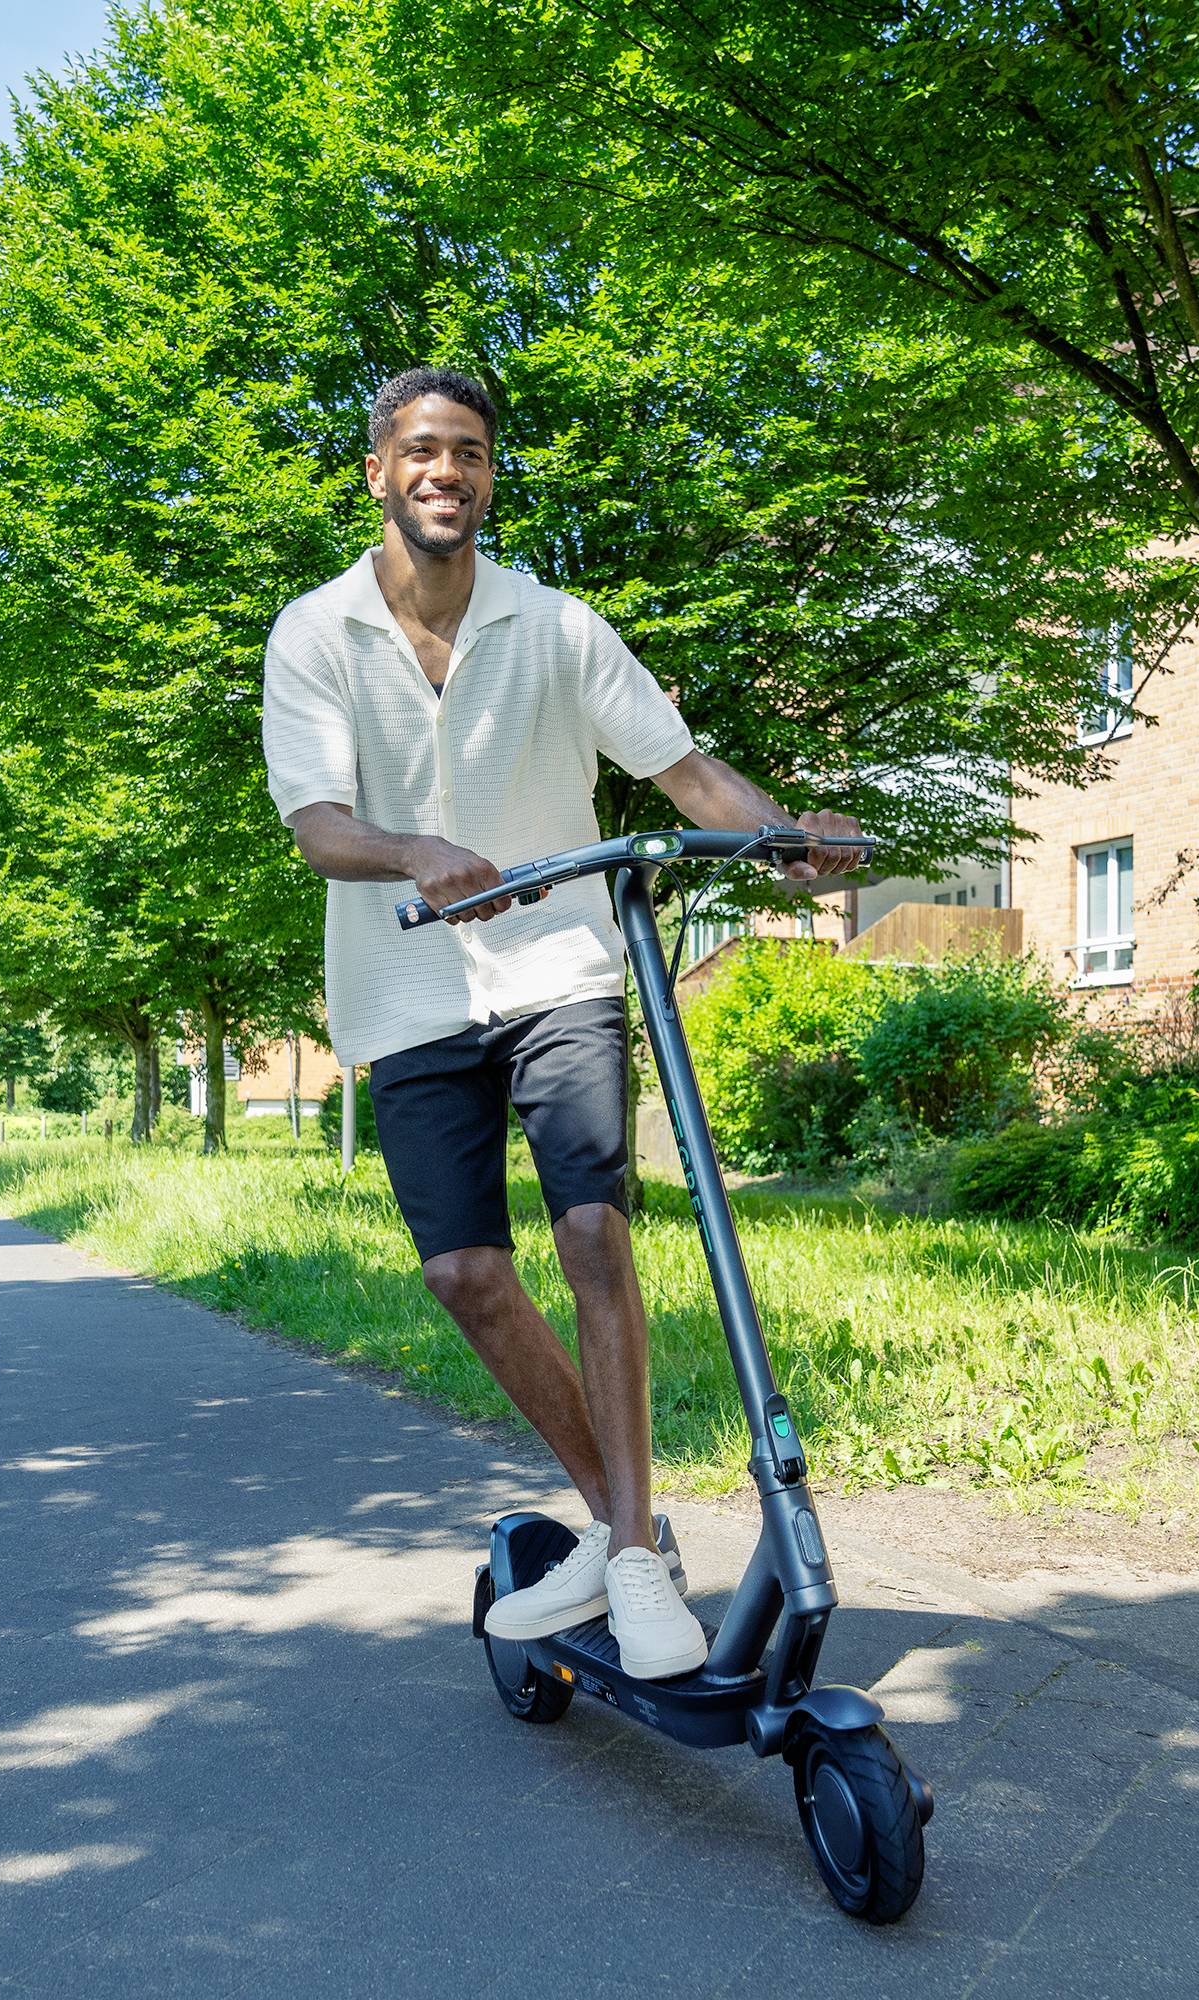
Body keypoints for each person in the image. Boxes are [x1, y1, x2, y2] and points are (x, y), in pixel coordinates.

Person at [263, 368, 861, 1679]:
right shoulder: (315, 634)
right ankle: (623, 1522)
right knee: (465, 1277)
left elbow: (683, 769)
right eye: (422, 451)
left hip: (559, 969)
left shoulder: (556, 626)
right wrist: (412, 849)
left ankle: (636, 1564)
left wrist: (779, 837)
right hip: (411, 991)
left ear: (488, 477)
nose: (446, 474)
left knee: (595, 1230)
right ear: (378, 471)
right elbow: (316, 823)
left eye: (469, 454)